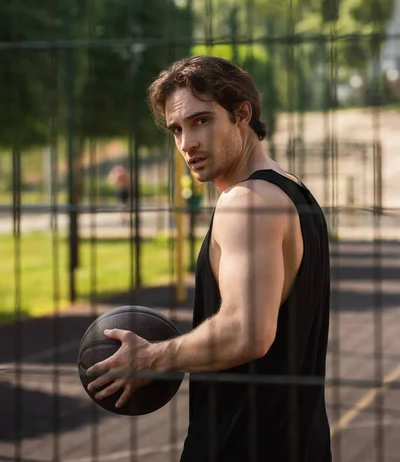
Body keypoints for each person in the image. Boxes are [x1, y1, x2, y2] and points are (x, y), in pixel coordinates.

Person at [87, 55, 332, 461]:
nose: (187, 144)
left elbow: (246, 332)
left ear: (241, 114)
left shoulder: (247, 203)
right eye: (177, 129)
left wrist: (150, 357)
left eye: (201, 121)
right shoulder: (294, 192)